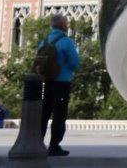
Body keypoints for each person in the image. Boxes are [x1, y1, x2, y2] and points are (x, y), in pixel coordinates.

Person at [39, 14, 80, 157]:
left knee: (44, 112)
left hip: (47, 81)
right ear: (62, 25)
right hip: (62, 83)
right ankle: (54, 146)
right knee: (59, 115)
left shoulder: (44, 41)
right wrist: (65, 67)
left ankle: (38, 142)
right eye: (66, 23)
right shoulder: (66, 41)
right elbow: (75, 63)